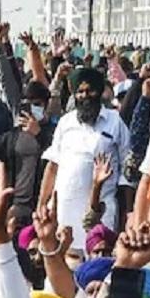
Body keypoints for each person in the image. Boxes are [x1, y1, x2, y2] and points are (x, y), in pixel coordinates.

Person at [39, 67, 131, 251]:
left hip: (101, 212)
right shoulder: (66, 122)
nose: (85, 96)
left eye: (90, 90)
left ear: (100, 92)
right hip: (64, 210)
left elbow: (127, 174)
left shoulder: (115, 122)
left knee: (99, 260)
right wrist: (41, 204)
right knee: (63, 258)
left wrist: (127, 216)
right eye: (80, 92)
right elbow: (53, 166)